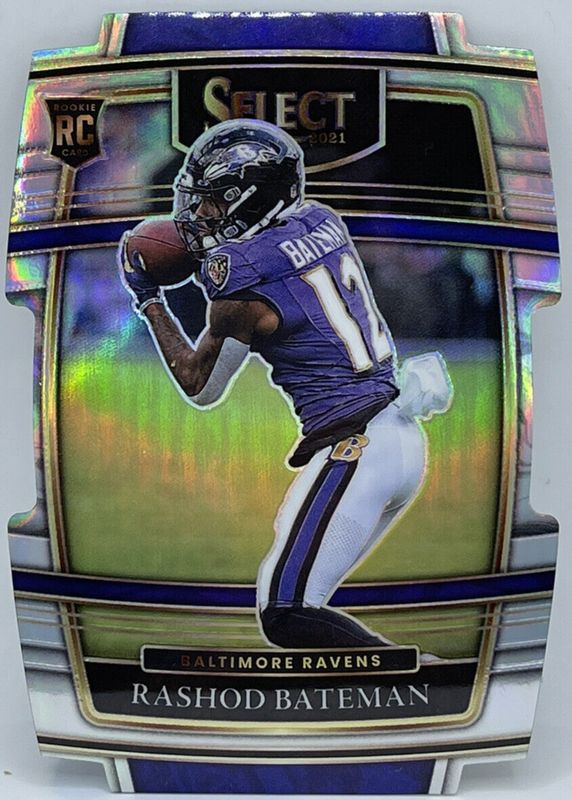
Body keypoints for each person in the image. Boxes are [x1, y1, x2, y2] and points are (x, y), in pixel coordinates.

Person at [119, 118, 452, 650]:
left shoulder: (241, 277)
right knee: (298, 598)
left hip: (359, 449)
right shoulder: (321, 219)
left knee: (287, 612)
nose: (199, 215)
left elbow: (201, 386)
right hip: (400, 438)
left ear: (249, 198)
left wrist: (148, 299)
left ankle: (423, 673)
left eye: (213, 201)